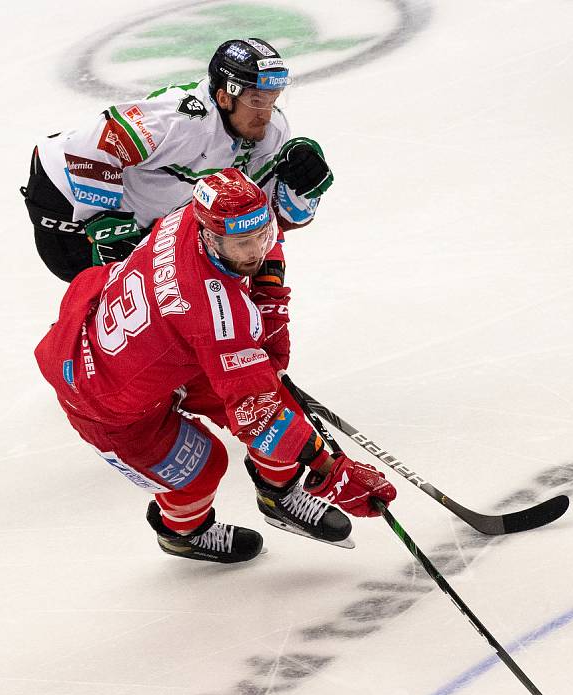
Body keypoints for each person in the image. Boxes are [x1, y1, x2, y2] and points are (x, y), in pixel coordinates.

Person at [35, 168, 396, 563]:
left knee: (275, 401)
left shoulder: (197, 212)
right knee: (204, 466)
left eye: (262, 235)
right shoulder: (214, 315)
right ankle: (183, 533)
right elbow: (257, 418)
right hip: (105, 397)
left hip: (158, 346)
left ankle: (279, 494)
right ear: (209, 235)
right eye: (241, 244)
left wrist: (270, 297)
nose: (255, 252)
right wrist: (333, 470)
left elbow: (260, 234)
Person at [22, 38, 333, 282]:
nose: (266, 115)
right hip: (64, 202)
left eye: (272, 100)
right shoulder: (182, 119)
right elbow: (92, 144)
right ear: (225, 97)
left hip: (141, 221)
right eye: (255, 101)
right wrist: (106, 225)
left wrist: (303, 189)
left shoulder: (272, 130)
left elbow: (264, 220)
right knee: (116, 309)